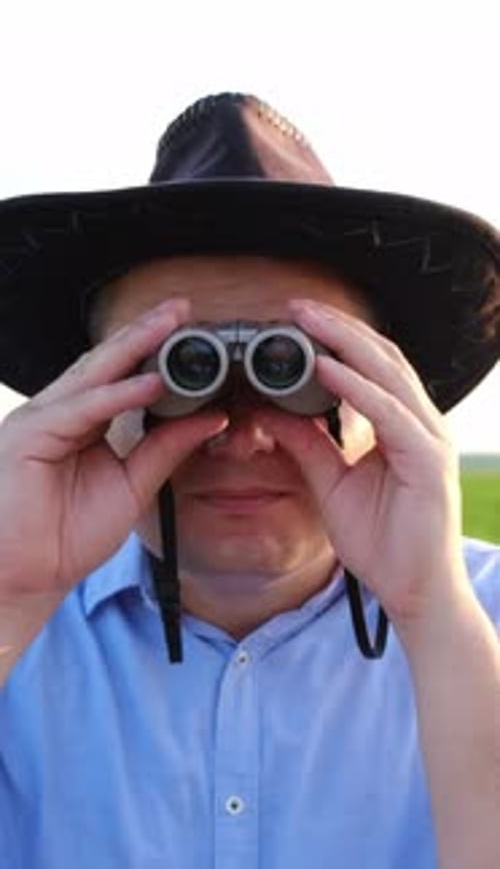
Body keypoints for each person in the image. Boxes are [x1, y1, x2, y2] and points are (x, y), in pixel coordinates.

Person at [0, 92, 498, 869]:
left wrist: (435, 616)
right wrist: (7, 594)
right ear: (92, 397)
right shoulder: (17, 637)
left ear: (389, 392)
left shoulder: (485, 616)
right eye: (178, 371)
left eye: (295, 368)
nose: (244, 434)